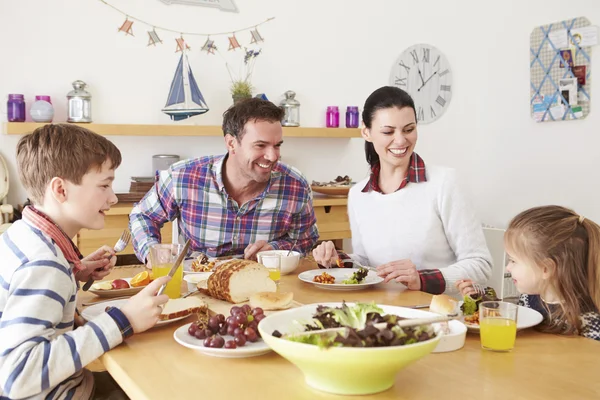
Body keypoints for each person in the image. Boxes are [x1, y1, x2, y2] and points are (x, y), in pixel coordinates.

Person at [0, 124, 170, 399]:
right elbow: (17, 375)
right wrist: (124, 320)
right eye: (104, 185)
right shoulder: (45, 265)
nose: (113, 197)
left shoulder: (23, 234)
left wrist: (75, 271)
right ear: (60, 189)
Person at [313, 86, 492, 295]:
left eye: (409, 129)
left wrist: (421, 280)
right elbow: (366, 264)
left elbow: (480, 265)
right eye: (388, 131)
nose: (400, 140)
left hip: (439, 314)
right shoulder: (358, 194)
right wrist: (336, 259)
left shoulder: (444, 183)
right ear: (366, 133)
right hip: (383, 312)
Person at [130, 98, 319, 263]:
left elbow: (305, 240)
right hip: (197, 284)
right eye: (260, 145)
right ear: (231, 143)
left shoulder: (295, 185)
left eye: (277, 146)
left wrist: (276, 249)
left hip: (265, 287)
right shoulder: (183, 177)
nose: (272, 156)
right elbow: (143, 216)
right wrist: (152, 251)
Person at [457, 205, 600, 341]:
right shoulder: (529, 298)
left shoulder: (588, 319)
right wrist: (480, 302)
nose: (508, 267)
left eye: (513, 261)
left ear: (546, 269)